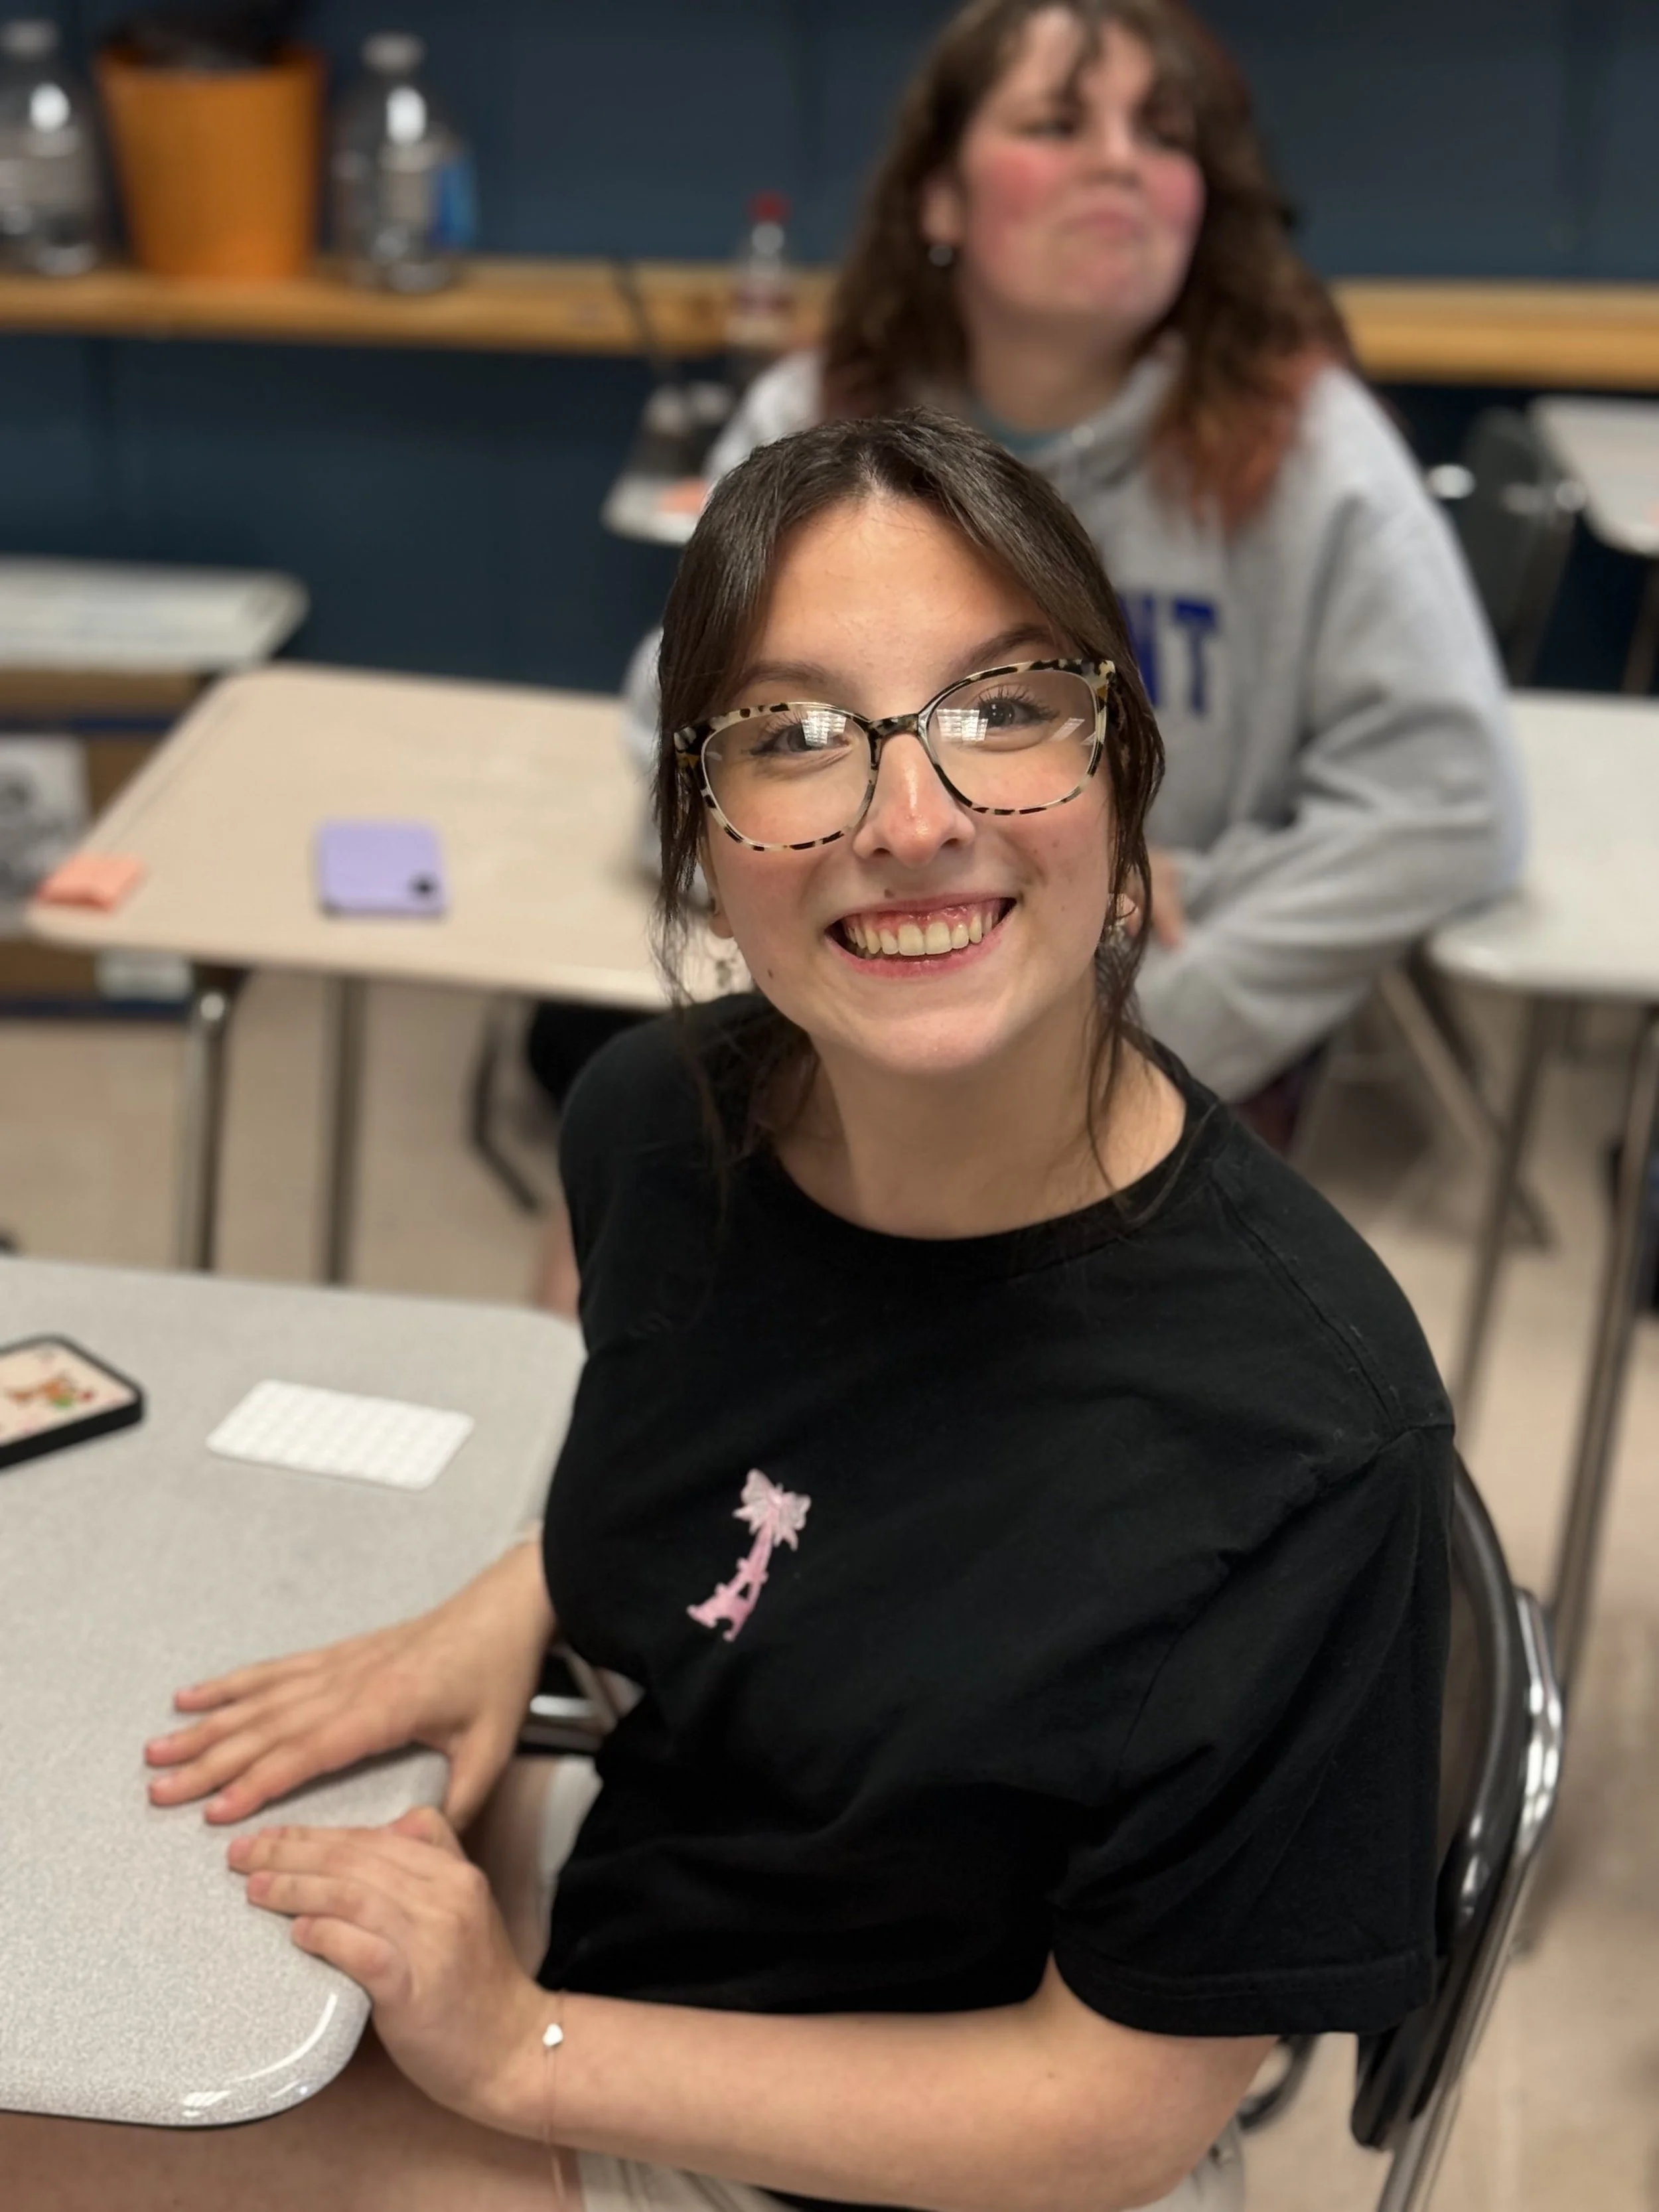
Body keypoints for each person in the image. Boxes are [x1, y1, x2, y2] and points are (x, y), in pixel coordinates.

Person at [7, 413, 1453, 2212]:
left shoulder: (1305, 1437)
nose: (912, 818)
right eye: (792, 738)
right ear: (699, 830)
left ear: (1123, 771)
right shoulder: (655, 1127)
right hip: (665, 1930)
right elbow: (791, 1456)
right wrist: (506, 1598)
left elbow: (1109, 2114)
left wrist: (518, 2041)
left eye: (1005, 706)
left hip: (909, 2163)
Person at [601, 0, 1522, 1119]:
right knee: (627, 1178)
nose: (1121, 165)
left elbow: (1446, 804)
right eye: (1056, 124)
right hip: (854, 1007)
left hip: (1165, 1027)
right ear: (940, 193)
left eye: (1164, 134)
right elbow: (679, 724)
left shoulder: (1315, 449)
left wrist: (1140, 976)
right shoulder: (813, 418)